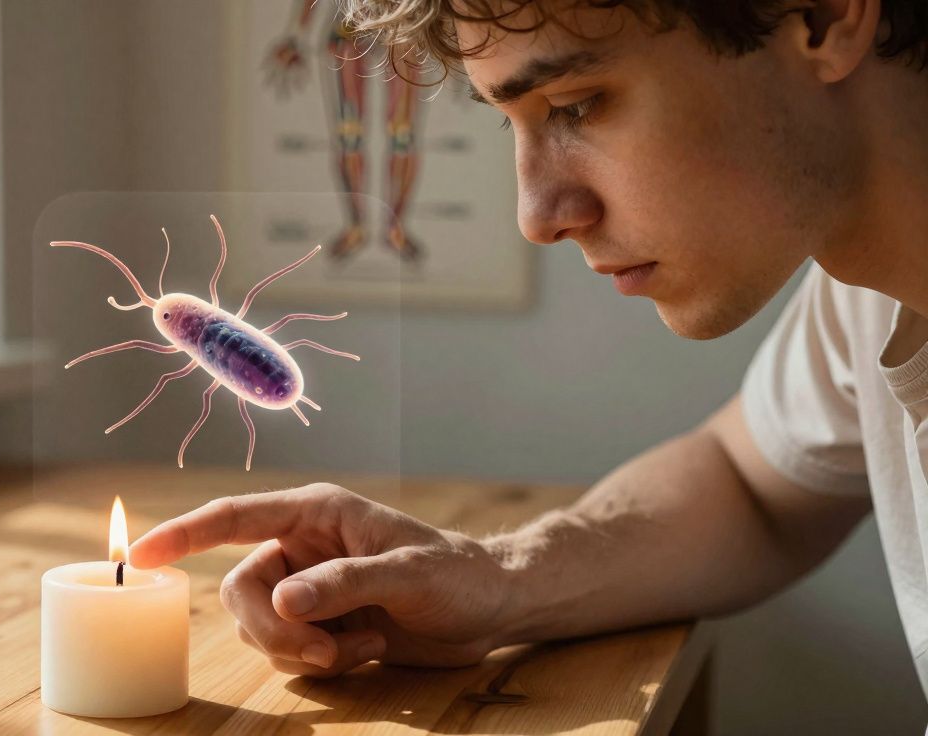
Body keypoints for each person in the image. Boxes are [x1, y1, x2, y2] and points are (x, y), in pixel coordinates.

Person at [129, 0, 928, 700]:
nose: (537, 214)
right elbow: (750, 487)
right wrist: (494, 577)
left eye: (578, 104)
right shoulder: (862, 294)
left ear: (822, 16)